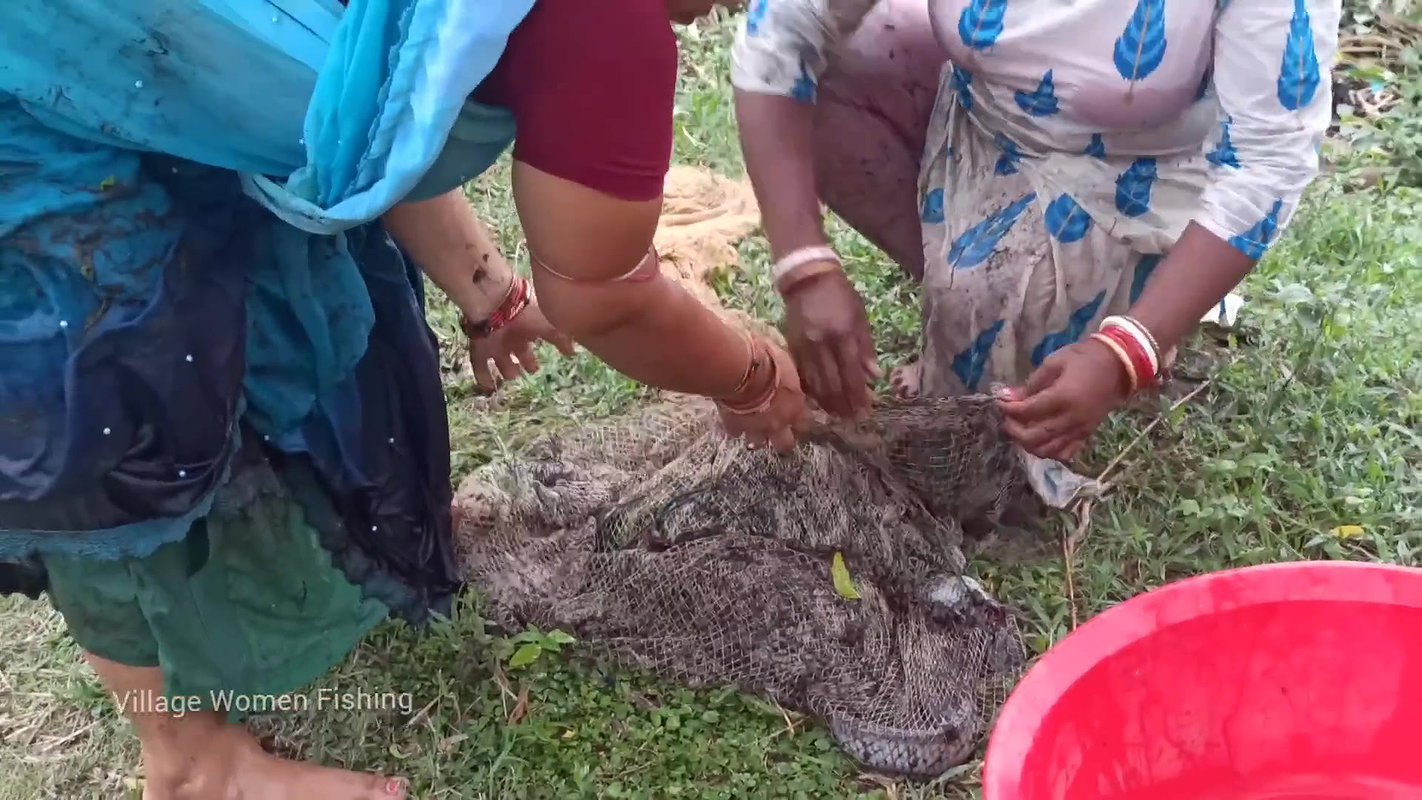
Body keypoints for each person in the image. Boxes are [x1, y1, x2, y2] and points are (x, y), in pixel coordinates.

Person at [0, 0, 805, 797]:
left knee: (251, 314)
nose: (730, 13)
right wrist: (751, 377)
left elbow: (371, 90)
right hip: (47, 81)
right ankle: (191, 764)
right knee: (100, 396)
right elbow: (605, 299)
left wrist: (487, 290)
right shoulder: (607, 21)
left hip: (162, 69)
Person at [732, 0, 1340, 462]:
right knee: (857, 54)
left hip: (1140, 173)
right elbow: (780, 31)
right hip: (983, 109)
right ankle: (971, 283)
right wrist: (803, 265)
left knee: (991, 429)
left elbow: (1269, 161)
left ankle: (1139, 303)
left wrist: (1128, 348)